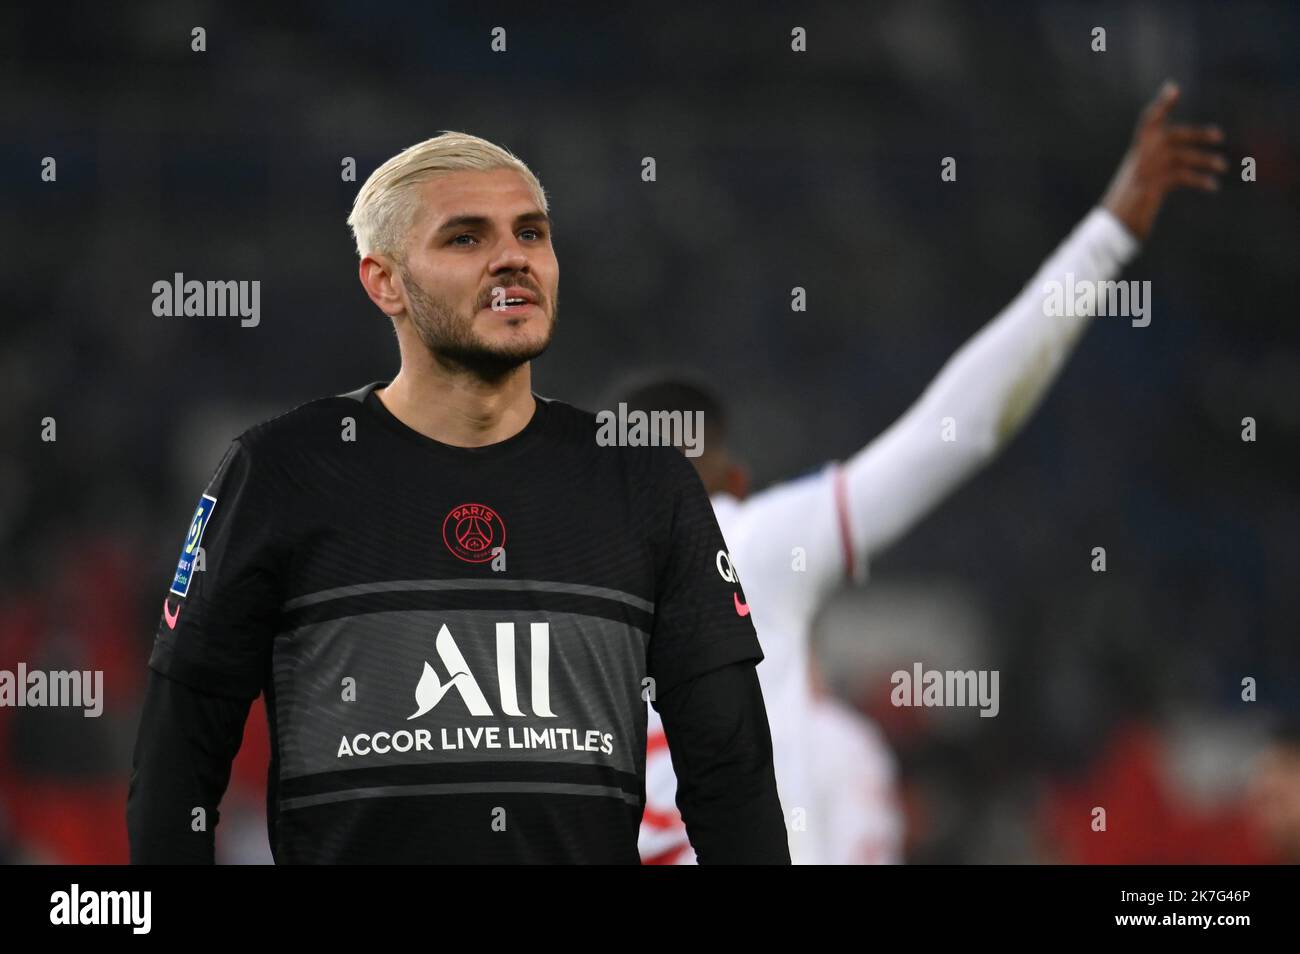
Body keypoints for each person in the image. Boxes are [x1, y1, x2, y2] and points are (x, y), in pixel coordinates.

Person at [127, 132, 790, 864]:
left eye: (530, 232)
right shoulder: (281, 472)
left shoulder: (644, 480)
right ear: (385, 282)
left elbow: (731, 780)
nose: (514, 256)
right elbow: (177, 768)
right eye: (466, 237)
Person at [628, 82, 1225, 864]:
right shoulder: (752, 546)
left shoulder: (547, 607)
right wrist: (1106, 239)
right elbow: (959, 430)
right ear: (735, 481)